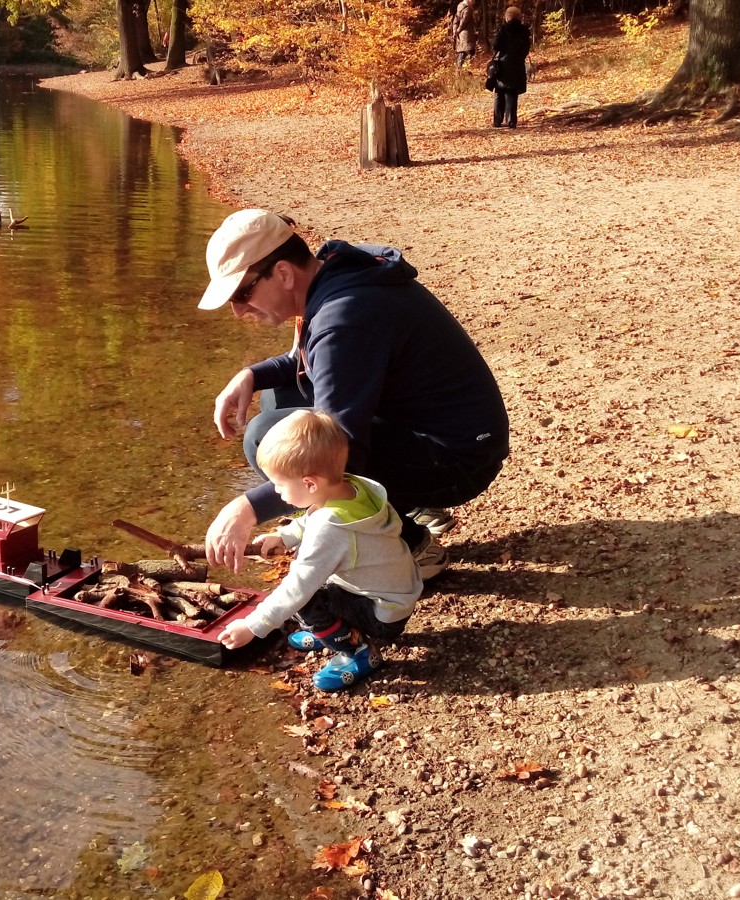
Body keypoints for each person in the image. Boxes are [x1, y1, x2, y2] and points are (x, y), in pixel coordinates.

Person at [197, 208, 510, 583]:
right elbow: (307, 360)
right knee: (277, 399)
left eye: (242, 293)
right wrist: (251, 374)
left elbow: (338, 449)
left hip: (457, 461)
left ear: (282, 273)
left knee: (267, 434)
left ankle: (409, 544)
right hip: (440, 434)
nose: (238, 310)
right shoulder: (333, 274)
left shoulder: (344, 317)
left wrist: (246, 508)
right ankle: (392, 507)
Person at [215, 410, 422, 691]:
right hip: (394, 597)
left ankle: (356, 650)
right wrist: (285, 535)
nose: (275, 492)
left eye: (278, 484)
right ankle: (332, 628)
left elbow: (297, 588)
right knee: (316, 580)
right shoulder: (350, 487)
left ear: (310, 483)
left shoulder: (330, 529)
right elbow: (313, 516)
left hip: (380, 614)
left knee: (305, 600)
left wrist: (253, 626)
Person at [490, 6, 532, 128]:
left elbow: (495, 46)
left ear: (507, 17)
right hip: (517, 64)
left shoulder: (502, 30)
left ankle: (497, 121)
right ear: (519, 17)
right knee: (512, 93)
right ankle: (511, 121)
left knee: (499, 92)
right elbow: (526, 49)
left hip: (502, 65)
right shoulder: (524, 31)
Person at [452, 0, 475, 68]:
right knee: (469, 52)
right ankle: (466, 70)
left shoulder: (459, 8)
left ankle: (460, 71)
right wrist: (457, 31)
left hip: (460, 36)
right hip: (467, 35)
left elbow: (455, 21)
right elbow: (464, 22)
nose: (474, 2)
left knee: (462, 52)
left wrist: (455, 31)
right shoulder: (468, 9)